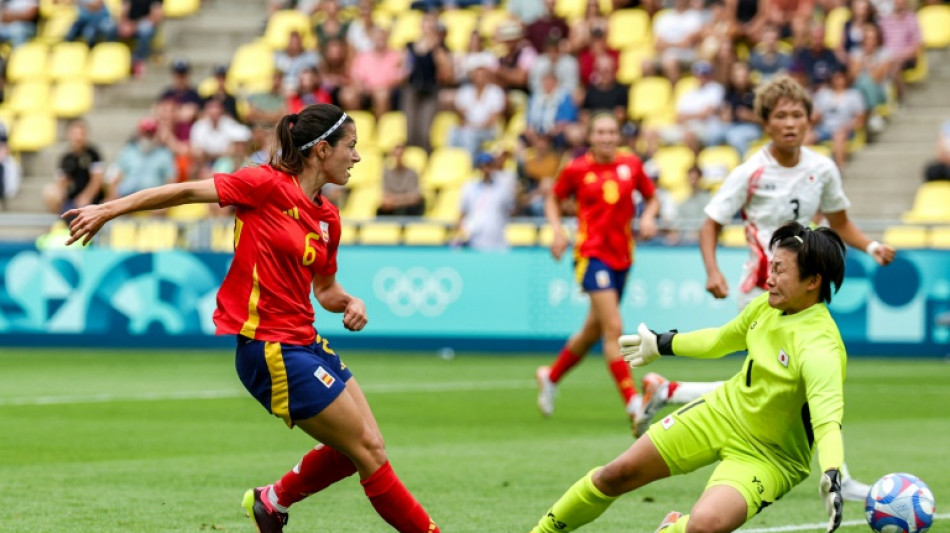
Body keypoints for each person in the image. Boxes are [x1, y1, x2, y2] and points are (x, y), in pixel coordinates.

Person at [61, 103, 440, 533]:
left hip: (306, 342)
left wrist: (352, 302)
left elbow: (326, 290)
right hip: (268, 349)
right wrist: (108, 210)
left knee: (364, 448)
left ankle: (271, 502)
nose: (356, 157)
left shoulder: (328, 218)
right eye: (350, 147)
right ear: (320, 150)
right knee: (369, 449)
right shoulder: (263, 184)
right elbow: (185, 192)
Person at [634, 75, 896, 501]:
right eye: (781, 116)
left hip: (800, 284)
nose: (791, 123)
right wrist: (712, 271)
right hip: (762, 287)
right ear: (766, 123)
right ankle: (838, 478)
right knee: (783, 379)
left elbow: (840, 221)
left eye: (798, 115)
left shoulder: (822, 168)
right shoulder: (752, 171)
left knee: (779, 380)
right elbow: (711, 223)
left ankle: (671, 390)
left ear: (810, 121)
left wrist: (872, 245)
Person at [530, 221, 851, 533]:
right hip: (721, 413)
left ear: (812, 282)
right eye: (771, 267)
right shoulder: (764, 309)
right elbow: (719, 341)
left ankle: (674, 528)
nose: (769, 279)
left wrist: (832, 471)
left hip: (770, 457)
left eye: (780, 271)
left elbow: (827, 419)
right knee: (615, 474)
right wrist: (660, 343)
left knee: (704, 526)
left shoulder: (820, 346)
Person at [535, 113, 660, 429]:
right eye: (600, 132)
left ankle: (550, 377)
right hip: (591, 255)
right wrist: (558, 231)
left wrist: (648, 218)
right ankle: (633, 402)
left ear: (618, 136)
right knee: (614, 326)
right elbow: (554, 199)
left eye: (611, 132)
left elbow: (652, 197)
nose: (606, 137)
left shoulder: (631, 165)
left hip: (623, 257)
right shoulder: (577, 168)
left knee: (593, 329)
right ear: (590, 137)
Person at [455, 151, 517, 251]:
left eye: (488, 165)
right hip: (474, 242)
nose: (485, 169)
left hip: (498, 242)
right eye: (482, 166)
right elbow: (461, 214)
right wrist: (461, 232)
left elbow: (512, 211)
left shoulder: (502, 188)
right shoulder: (469, 187)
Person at [43, 119, 104, 214]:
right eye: (75, 134)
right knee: (51, 191)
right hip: (72, 198)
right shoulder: (66, 158)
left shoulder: (93, 154)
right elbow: (61, 180)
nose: (78, 137)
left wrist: (86, 196)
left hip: (91, 199)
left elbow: (97, 179)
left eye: (81, 134)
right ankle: (61, 218)